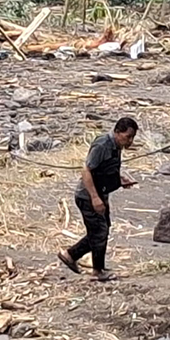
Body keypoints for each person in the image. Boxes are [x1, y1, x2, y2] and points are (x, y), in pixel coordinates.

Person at [58, 117, 139, 281]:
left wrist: (119, 180)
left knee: (101, 231)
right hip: (88, 196)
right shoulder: (102, 145)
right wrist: (95, 198)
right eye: (127, 136)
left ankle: (70, 255)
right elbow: (86, 171)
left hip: (101, 193)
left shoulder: (116, 146)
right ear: (117, 132)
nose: (130, 141)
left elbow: (105, 170)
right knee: (99, 232)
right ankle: (97, 270)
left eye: (132, 137)